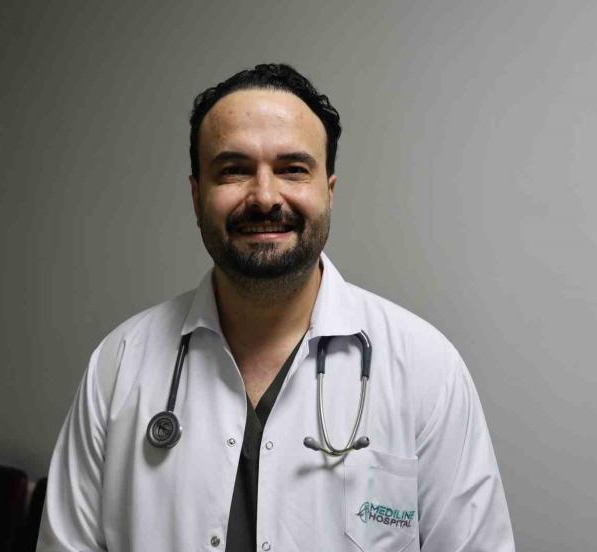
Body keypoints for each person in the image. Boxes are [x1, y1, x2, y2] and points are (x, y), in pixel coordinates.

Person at [37, 63, 515, 552]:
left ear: (328, 192)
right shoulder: (119, 366)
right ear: (197, 196)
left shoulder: (425, 369)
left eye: (292, 169)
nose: (265, 197)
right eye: (234, 170)